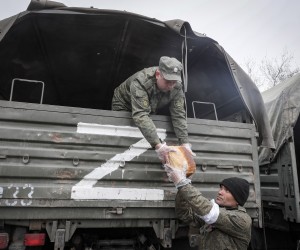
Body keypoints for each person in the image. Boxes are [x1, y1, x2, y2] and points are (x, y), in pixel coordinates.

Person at [112, 56, 195, 162]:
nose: (170, 86)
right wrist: (159, 145)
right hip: (124, 104)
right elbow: (141, 114)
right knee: (126, 134)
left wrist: (185, 143)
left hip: (149, 105)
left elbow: (178, 114)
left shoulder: (176, 86)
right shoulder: (141, 81)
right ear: (158, 74)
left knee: (147, 131)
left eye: (173, 82)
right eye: (168, 81)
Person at [164, 164, 252, 250]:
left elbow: (209, 212)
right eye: (221, 188)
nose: (220, 192)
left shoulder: (242, 220)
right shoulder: (214, 215)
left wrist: (182, 183)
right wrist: (183, 186)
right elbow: (185, 215)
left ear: (237, 198)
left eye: (227, 190)